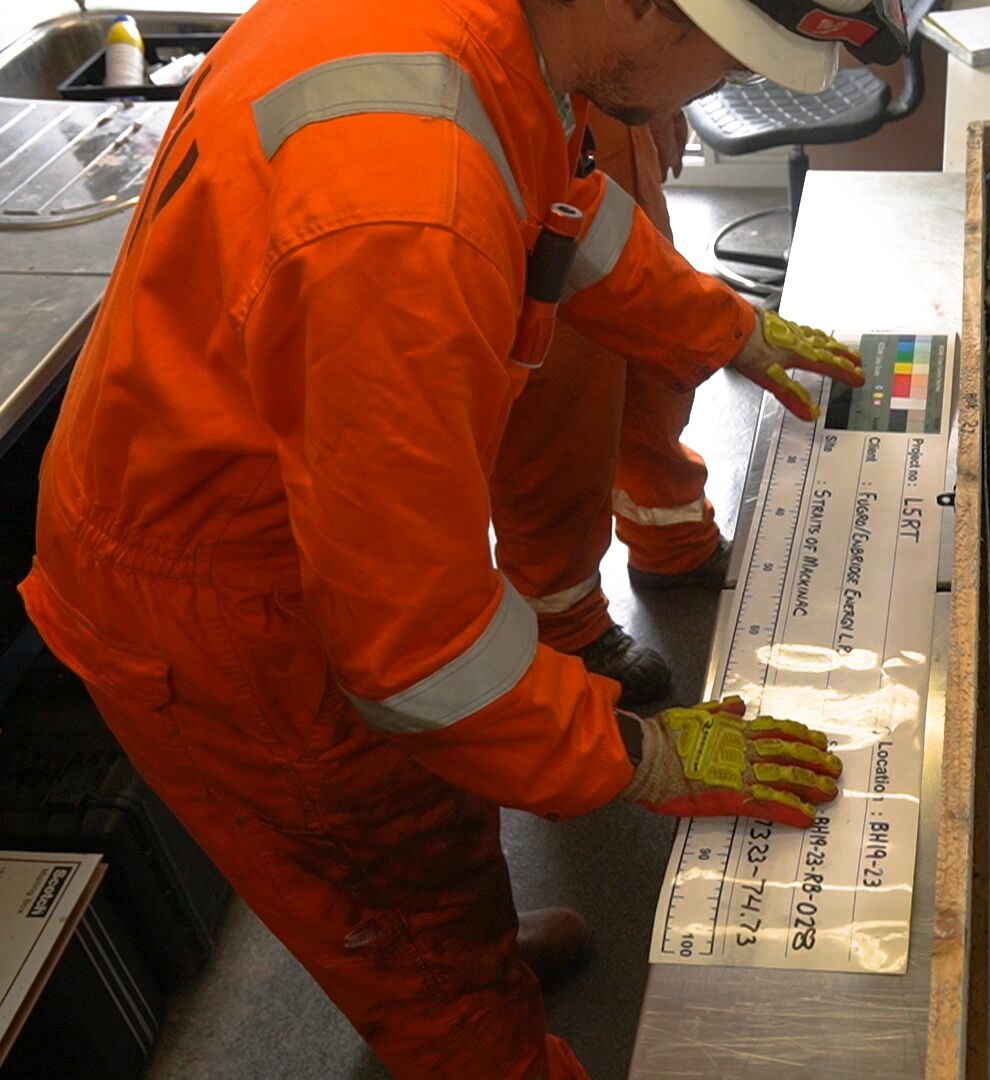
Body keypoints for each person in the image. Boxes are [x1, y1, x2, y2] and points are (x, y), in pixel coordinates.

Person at [17, 0, 913, 1076]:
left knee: (433, 824)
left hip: (272, 518)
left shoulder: (492, 41)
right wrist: (643, 755)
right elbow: (418, 657)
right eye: (729, 55)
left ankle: (470, 943)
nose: (711, 94)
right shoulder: (406, 210)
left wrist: (725, 326)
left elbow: (567, 211)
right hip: (233, 612)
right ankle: (466, 1008)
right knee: (391, 889)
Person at [490, 104, 725, 706]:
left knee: (653, 343)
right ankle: (561, 622)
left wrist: (659, 101)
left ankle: (671, 536)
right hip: (531, 105)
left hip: (607, 104)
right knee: (561, 398)